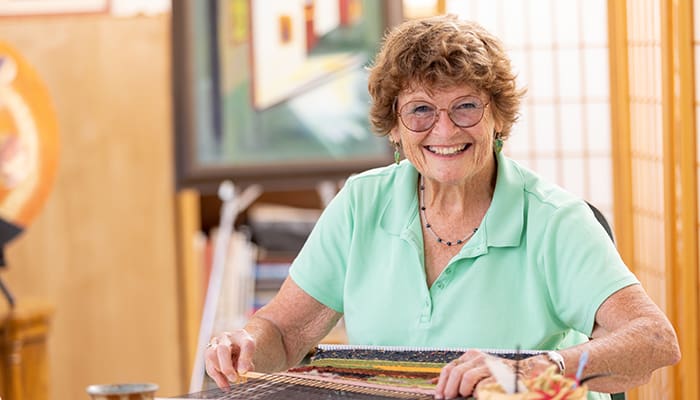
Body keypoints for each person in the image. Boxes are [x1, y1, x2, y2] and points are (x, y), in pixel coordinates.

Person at [205, 15, 680, 399]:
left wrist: (537, 368)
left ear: (497, 117)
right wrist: (245, 343)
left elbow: (655, 340)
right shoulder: (361, 203)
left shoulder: (555, 220)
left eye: (466, 107)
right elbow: (285, 334)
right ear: (395, 127)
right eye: (421, 110)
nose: (445, 130)